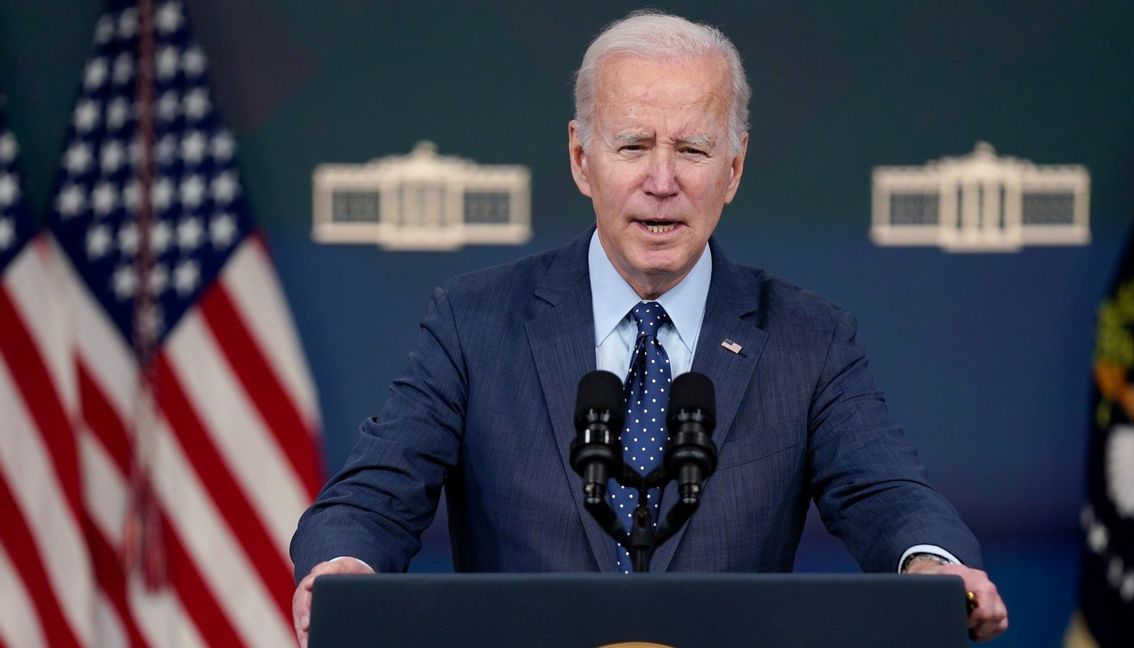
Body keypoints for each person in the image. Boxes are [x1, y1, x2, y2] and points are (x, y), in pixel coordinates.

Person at [290, 10, 1009, 645]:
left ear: (734, 167)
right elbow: (373, 498)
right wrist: (344, 568)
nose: (662, 180)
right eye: (634, 146)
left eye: (692, 150)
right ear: (581, 158)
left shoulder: (807, 339)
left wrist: (933, 563)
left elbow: (886, 494)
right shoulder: (474, 323)